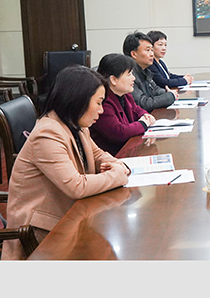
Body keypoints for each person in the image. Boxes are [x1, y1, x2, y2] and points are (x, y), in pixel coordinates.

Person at [2, 65, 130, 260]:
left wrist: (117, 165)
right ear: (78, 100)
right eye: (98, 103)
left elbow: (97, 154)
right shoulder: (48, 133)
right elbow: (76, 186)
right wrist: (118, 174)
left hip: (72, 217)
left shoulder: (76, 124)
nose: (101, 110)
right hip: (42, 233)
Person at [90, 53, 157, 156]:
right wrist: (143, 124)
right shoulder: (103, 102)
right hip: (114, 156)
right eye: (129, 74)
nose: (133, 78)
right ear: (113, 80)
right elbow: (120, 132)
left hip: (128, 151)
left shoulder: (125, 95)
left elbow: (136, 109)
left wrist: (145, 115)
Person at [123, 31, 177, 112]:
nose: (152, 54)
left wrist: (167, 92)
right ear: (134, 54)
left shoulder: (145, 70)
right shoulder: (128, 75)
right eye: (148, 50)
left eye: (152, 50)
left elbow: (156, 90)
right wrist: (170, 96)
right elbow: (143, 103)